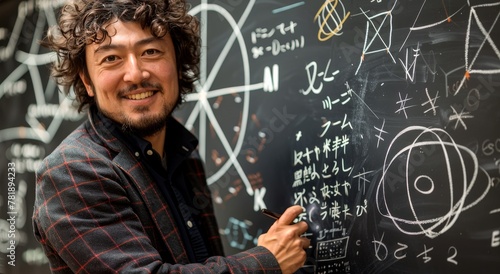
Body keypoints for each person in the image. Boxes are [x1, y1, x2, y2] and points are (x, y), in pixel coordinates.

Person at [32, 0, 310, 273]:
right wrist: (266, 262)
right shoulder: (71, 170)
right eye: (111, 58)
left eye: (151, 52)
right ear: (87, 81)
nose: (135, 74)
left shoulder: (182, 153)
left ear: (178, 62)